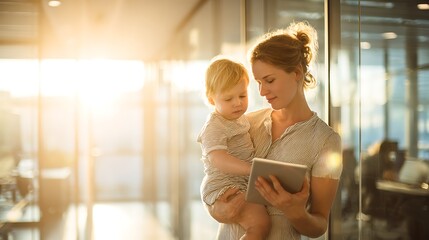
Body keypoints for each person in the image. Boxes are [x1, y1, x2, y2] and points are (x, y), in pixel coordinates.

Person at [206, 21, 343, 239]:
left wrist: (295, 212)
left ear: (297, 73)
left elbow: (319, 225)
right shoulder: (244, 123)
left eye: (269, 80)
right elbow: (214, 173)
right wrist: (216, 210)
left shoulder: (327, 141)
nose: (261, 91)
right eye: (258, 82)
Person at [197, 57, 271, 240]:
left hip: (237, 184)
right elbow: (217, 158)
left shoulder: (240, 119)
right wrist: (250, 169)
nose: (237, 103)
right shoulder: (214, 126)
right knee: (260, 224)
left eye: (242, 96)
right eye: (228, 98)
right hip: (224, 186)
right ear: (211, 99)